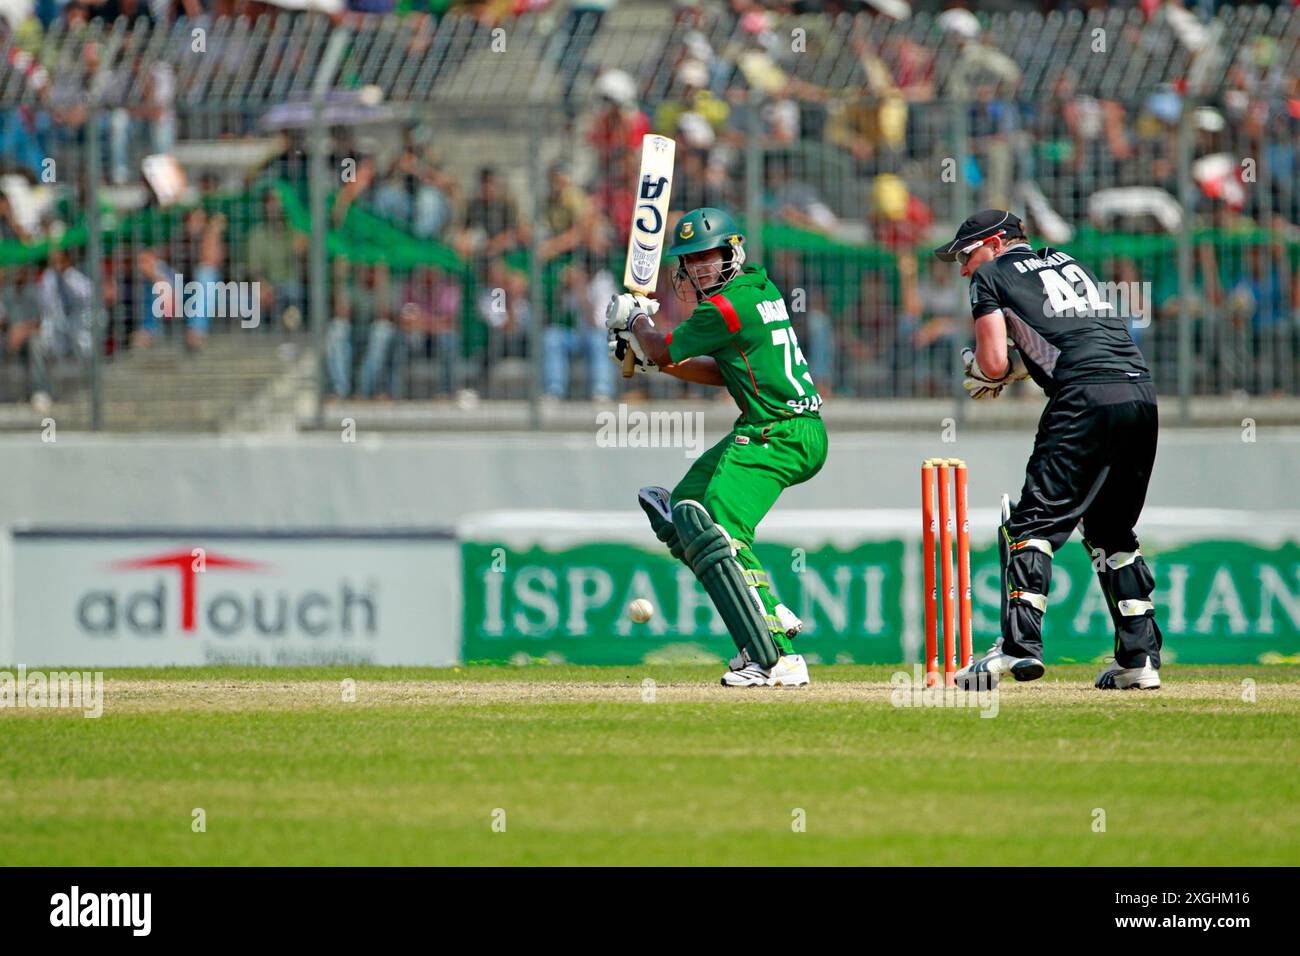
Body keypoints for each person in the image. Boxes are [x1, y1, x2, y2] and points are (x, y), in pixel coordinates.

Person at [934, 210, 1162, 691]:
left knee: (1032, 523)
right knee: (1111, 530)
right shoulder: (1068, 261)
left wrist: (985, 368)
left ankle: (1019, 647)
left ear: (995, 244)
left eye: (965, 255)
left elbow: (993, 364)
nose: (962, 270)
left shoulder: (991, 276)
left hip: (1084, 397)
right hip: (1139, 392)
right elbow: (1073, 337)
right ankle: (1139, 660)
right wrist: (1020, 368)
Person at [605, 207, 828, 688]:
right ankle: (757, 631)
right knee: (685, 514)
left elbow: (665, 346)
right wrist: (651, 360)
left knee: (723, 529)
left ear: (733, 251)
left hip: (779, 432)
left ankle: (780, 658)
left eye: (710, 257)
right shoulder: (758, 289)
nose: (701, 269)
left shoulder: (725, 308)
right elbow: (715, 369)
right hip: (781, 427)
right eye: (692, 261)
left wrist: (637, 321)